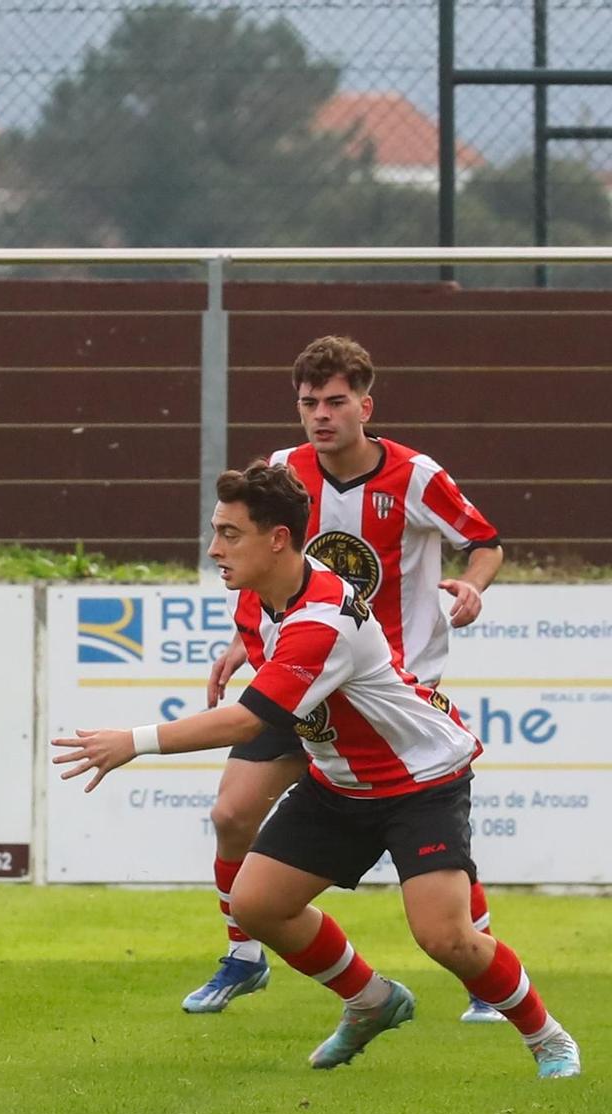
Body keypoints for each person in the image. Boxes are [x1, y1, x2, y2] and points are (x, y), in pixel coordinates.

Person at [55, 462, 578, 1080]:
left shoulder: (323, 618)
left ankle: (548, 1039)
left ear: (277, 539)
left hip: (419, 782)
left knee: (445, 938)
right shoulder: (255, 598)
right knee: (255, 905)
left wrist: (133, 741)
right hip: (340, 783)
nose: (214, 548)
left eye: (230, 534)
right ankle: (370, 999)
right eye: (215, 531)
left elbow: (249, 721)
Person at [187, 336, 506, 1021]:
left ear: (366, 403)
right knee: (230, 813)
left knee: (429, 833)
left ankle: (480, 965)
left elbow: (484, 539)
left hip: (386, 689)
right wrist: (248, 644)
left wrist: (472, 588)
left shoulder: (415, 475)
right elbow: (261, 565)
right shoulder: (281, 470)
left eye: (336, 401)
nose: (322, 415)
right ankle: (243, 954)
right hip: (300, 684)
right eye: (309, 403)